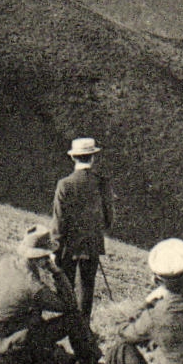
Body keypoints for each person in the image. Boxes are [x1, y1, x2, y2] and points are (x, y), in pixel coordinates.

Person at [0, 222, 101, 364]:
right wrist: (57, 272)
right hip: (5, 350)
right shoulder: (32, 286)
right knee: (74, 319)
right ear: (42, 257)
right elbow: (70, 306)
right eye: (48, 255)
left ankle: (59, 357)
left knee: (41, 334)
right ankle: (91, 363)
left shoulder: (5, 263)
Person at [52, 137, 115, 333]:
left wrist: (55, 248)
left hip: (68, 247)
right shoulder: (102, 183)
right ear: (93, 158)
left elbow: (58, 221)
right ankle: (83, 332)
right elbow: (108, 220)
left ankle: (65, 330)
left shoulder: (64, 184)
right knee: (86, 291)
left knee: (66, 290)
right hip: (91, 245)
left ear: (74, 158)